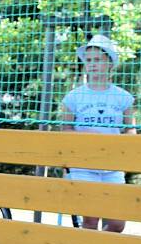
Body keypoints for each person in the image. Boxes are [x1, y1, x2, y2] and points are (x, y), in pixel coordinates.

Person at [58, 34, 136, 233]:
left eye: (98, 60)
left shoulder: (123, 97)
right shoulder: (73, 97)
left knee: (117, 223)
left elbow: (130, 129)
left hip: (112, 166)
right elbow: (65, 130)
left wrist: (123, 145)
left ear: (109, 63)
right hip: (84, 166)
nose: (92, 64)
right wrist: (89, 137)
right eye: (89, 60)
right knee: (90, 221)